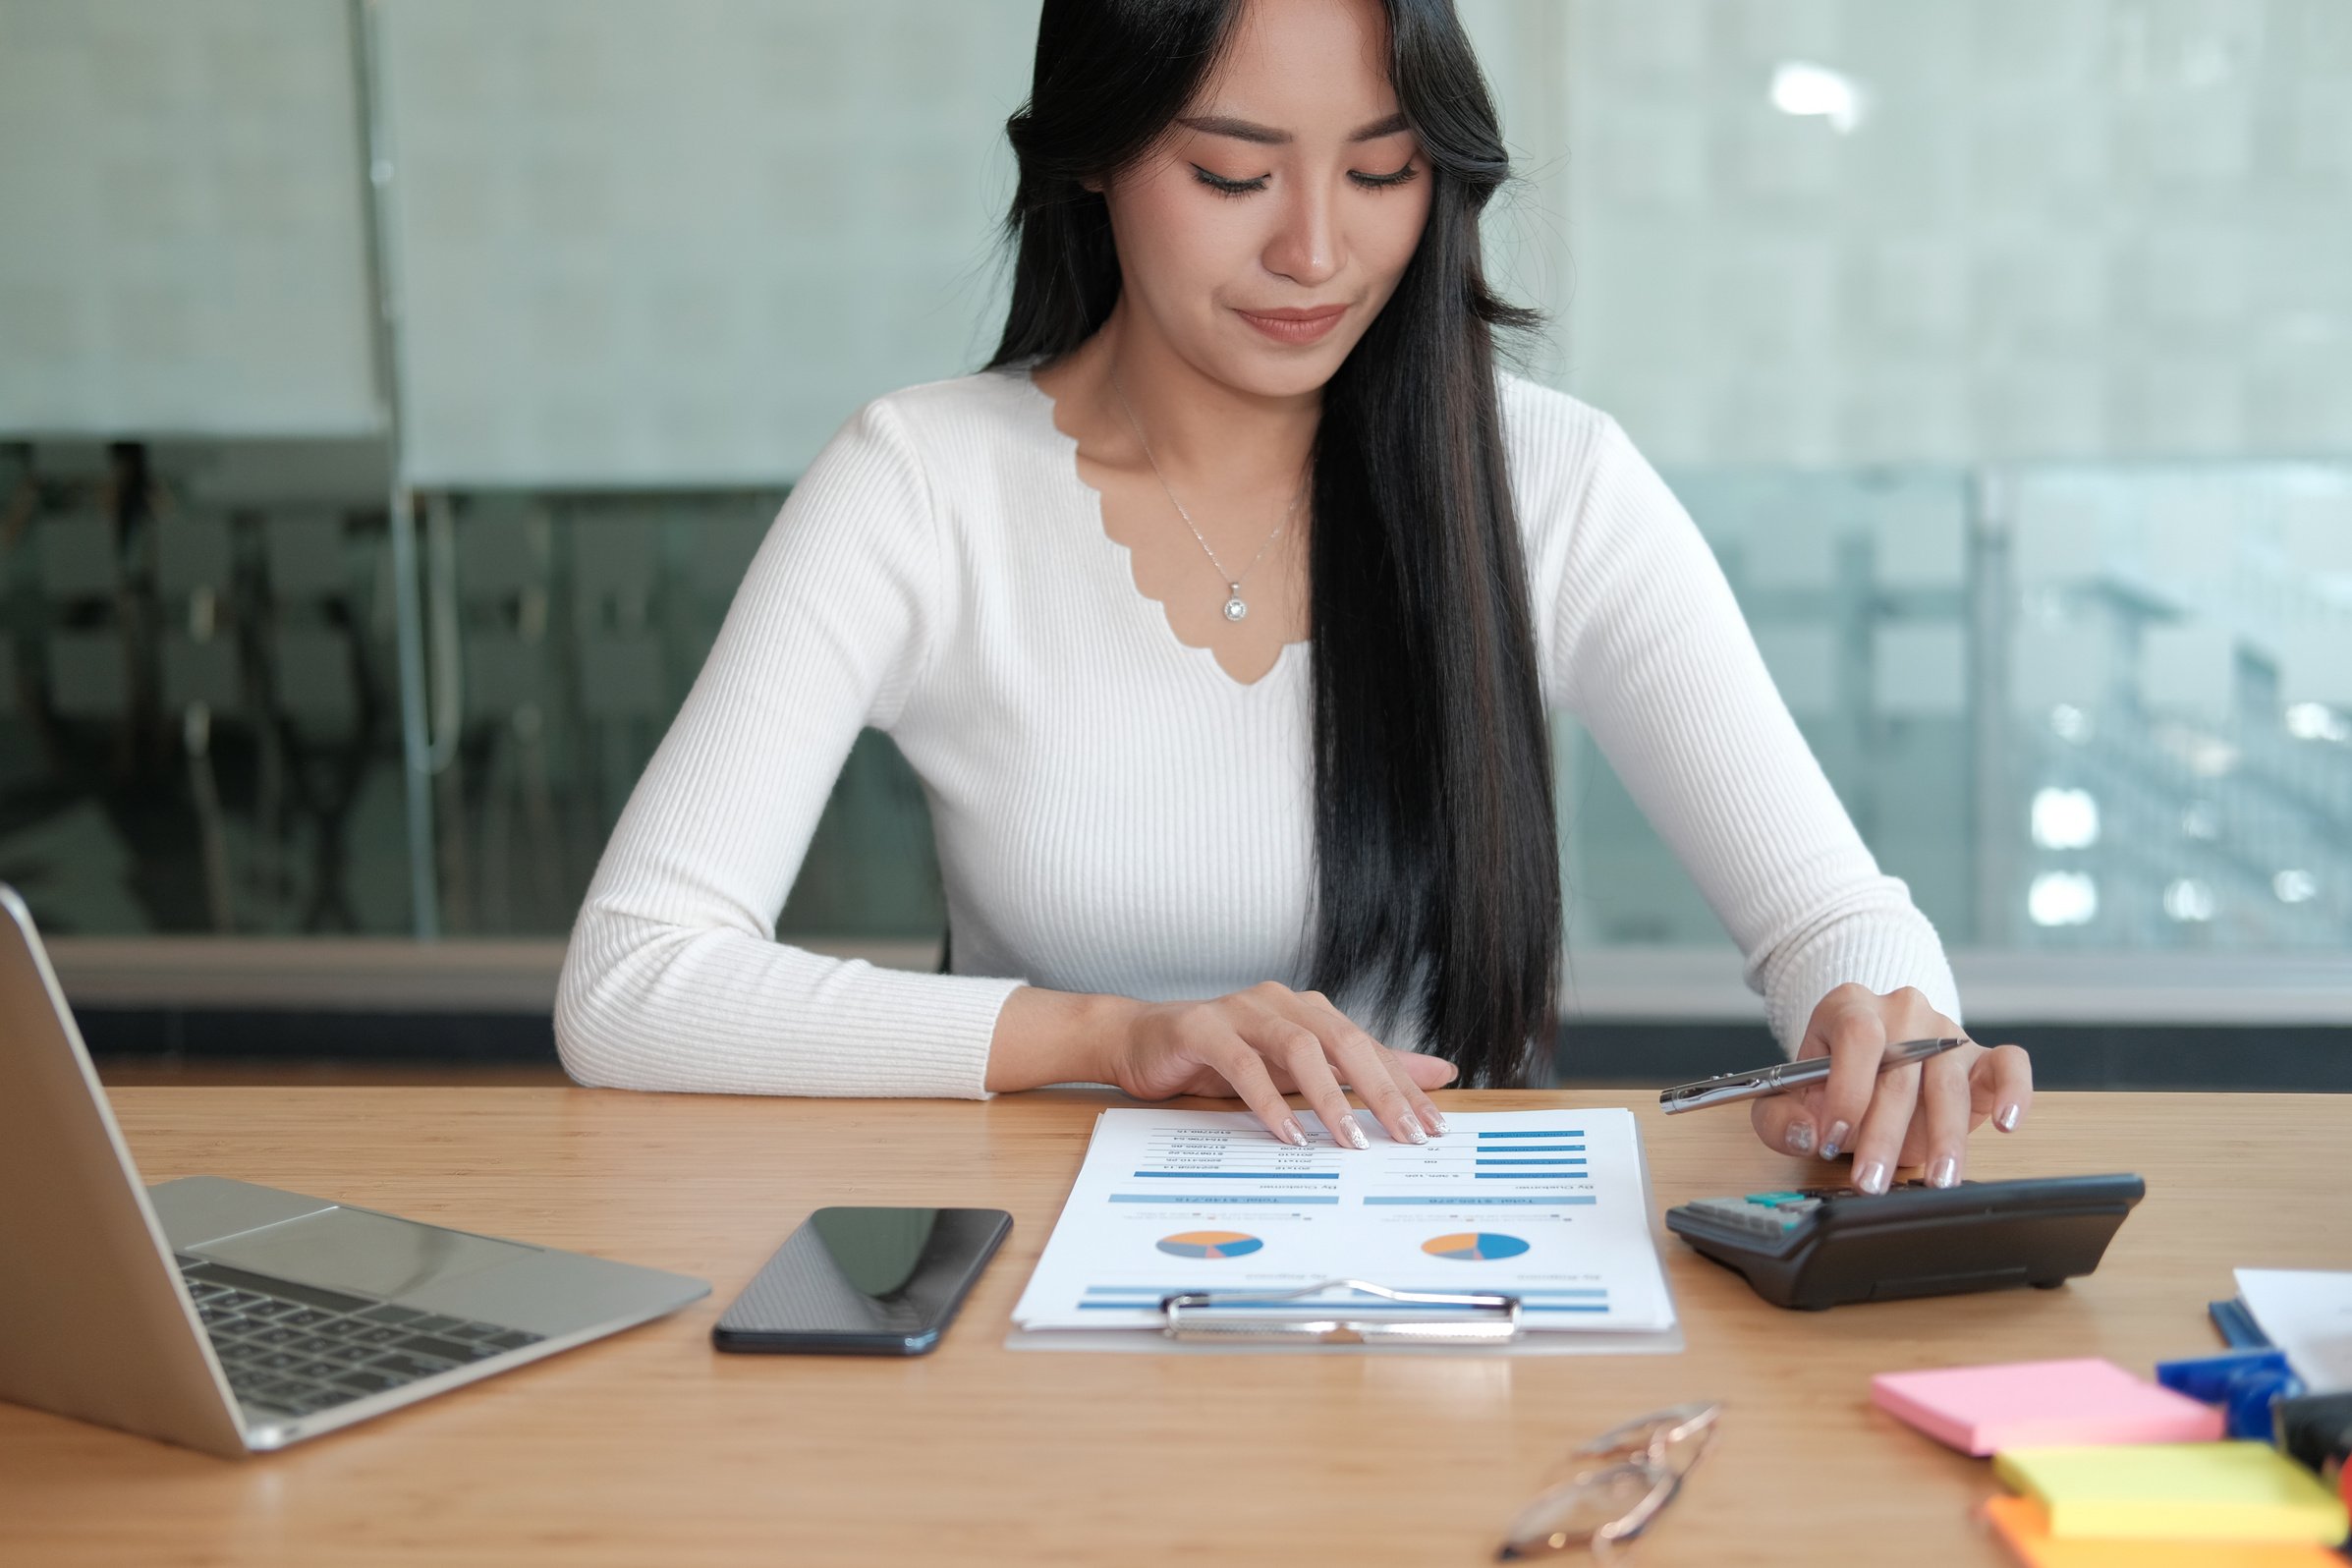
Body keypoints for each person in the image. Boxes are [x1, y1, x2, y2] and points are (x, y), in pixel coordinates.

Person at [555, 0, 2032, 1193]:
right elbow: (634, 985)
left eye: (1381, 172)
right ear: (1092, 156)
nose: (1316, 252)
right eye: (1231, 174)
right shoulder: (921, 483)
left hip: (1441, 1273)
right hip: (1039, 1306)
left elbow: (1830, 916)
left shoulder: (1551, 485)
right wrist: (1114, 1037)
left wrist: (1887, 1024)